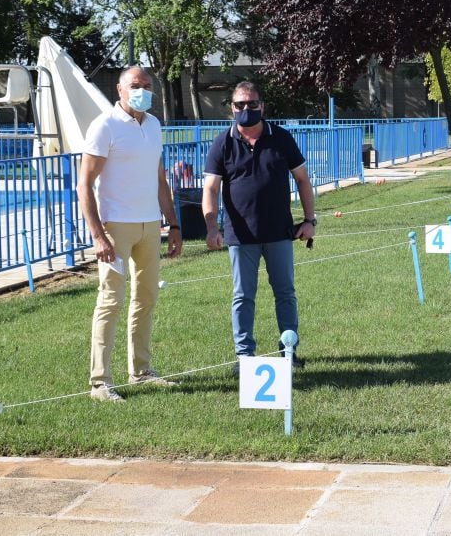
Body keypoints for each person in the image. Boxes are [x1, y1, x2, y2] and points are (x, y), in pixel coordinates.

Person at [78, 66, 182, 402]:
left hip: (150, 225)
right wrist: (98, 235)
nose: (143, 91)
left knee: (147, 298)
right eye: (135, 85)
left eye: (147, 85)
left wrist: (174, 224)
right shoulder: (104, 125)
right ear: (120, 91)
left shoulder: (153, 125)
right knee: (111, 300)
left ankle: (141, 372)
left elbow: (160, 179)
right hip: (115, 227)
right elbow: (84, 185)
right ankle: (100, 383)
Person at [201, 82, 315, 370]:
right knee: (243, 296)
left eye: (252, 104)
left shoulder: (281, 138)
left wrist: (310, 221)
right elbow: (211, 189)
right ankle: (244, 356)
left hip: (279, 232)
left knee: (285, 292)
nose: (246, 110)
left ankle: (288, 351)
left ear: (262, 106)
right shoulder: (222, 142)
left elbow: (303, 179)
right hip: (240, 236)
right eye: (240, 105)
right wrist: (212, 226)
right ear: (232, 108)